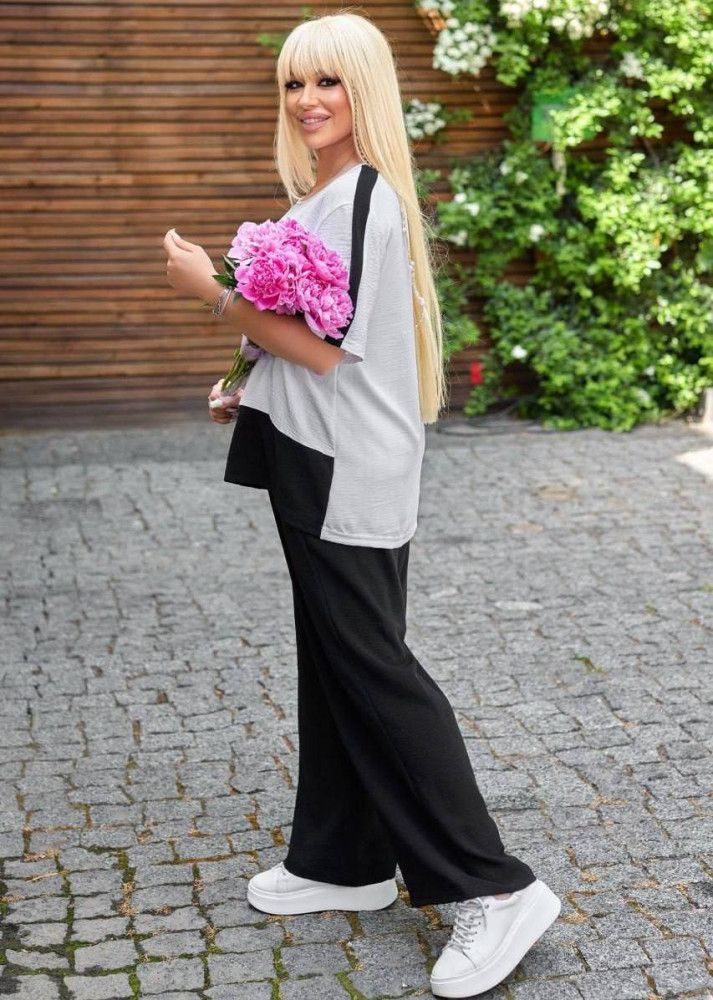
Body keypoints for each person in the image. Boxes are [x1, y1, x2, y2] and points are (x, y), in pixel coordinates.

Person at [163, 11, 561, 997]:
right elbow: (306, 337)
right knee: (336, 661)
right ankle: (340, 860)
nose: (307, 101)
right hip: (321, 459)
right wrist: (243, 380)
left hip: (342, 470)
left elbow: (324, 350)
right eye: (294, 83)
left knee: (374, 669)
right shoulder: (334, 194)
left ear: (365, 90)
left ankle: (493, 887)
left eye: (327, 82)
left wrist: (211, 290)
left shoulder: (358, 198)